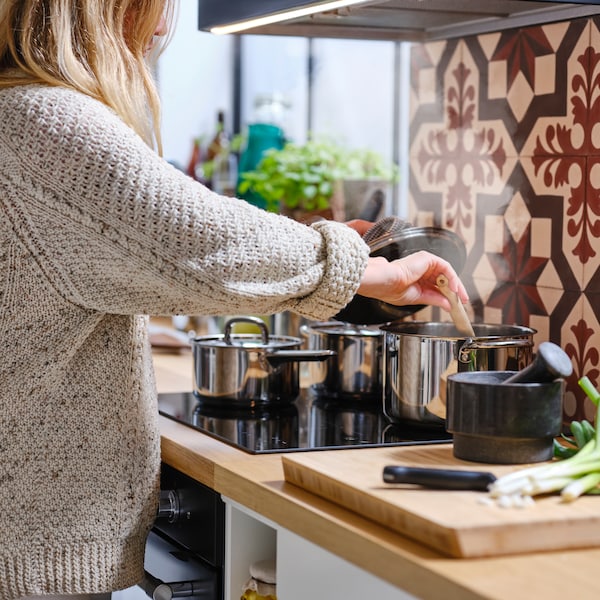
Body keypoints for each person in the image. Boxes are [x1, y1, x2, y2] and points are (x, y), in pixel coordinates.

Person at [0, 1, 469, 599]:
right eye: (151, 9)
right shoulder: (44, 122)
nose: (162, 28)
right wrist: (362, 271)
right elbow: (201, 241)